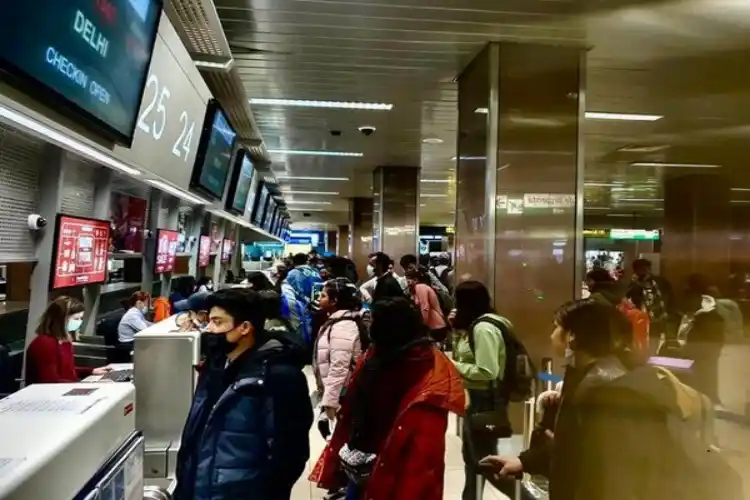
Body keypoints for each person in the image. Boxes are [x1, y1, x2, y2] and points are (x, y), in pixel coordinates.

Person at [479, 299, 734, 500]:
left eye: (557, 326)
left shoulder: (608, 390)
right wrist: (524, 462)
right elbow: (576, 446)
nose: (551, 334)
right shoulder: (581, 376)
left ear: (573, 336)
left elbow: (613, 475)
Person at [310, 297, 465, 500]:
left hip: (397, 463)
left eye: (375, 320)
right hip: (364, 455)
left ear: (390, 326)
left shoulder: (422, 365)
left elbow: (423, 452)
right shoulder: (377, 353)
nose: (369, 325)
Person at [173, 288, 312, 500]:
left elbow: (290, 454)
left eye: (218, 322)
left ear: (245, 327)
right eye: (208, 321)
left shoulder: (279, 377)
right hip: (201, 487)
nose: (209, 329)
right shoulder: (214, 366)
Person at [449, 281, 511, 500]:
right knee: (472, 459)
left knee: (484, 462)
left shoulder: (484, 328)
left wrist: (453, 365)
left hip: (483, 398)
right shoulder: (476, 325)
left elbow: (486, 370)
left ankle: (523, 495)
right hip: (475, 397)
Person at [25, 297, 110, 384]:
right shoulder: (44, 343)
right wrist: (81, 386)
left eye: (81, 318)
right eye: (76, 319)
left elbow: (67, 371)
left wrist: (91, 371)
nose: (79, 322)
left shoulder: (65, 341)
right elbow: (49, 381)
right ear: (61, 320)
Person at [313, 278, 364, 421]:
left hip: (343, 394)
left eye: (323, 296)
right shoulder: (335, 322)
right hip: (338, 392)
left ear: (334, 300)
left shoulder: (343, 326)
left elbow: (339, 365)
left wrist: (331, 400)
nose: (318, 298)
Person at [405, 268, 448, 343]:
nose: (407, 283)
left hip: (434, 326)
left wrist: (423, 326)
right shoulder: (417, 290)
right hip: (434, 325)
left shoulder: (420, 287)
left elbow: (425, 307)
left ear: (415, 280)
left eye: (408, 280)